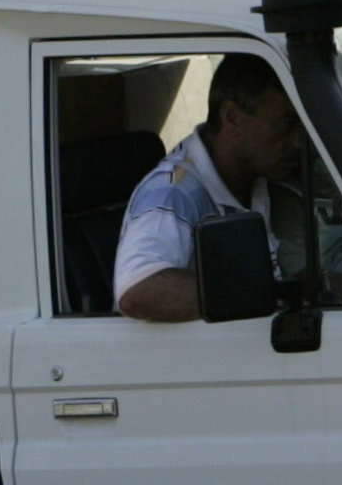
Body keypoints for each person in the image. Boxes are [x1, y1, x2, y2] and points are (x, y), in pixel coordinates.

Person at [115, 53, 312, 323]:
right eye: (285, 125)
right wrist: (265, 294)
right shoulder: (174, 192)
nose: (297, 142)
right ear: (232, 117)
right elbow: (139, 290)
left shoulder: (258, 178)